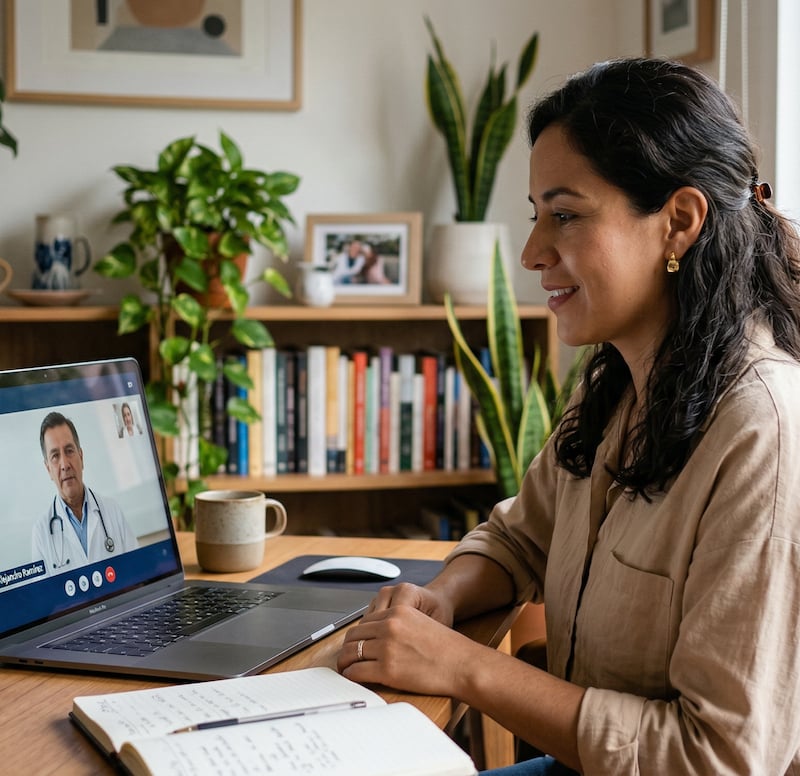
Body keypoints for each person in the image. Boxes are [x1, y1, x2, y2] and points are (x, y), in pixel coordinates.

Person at [337, 57, 800, 774]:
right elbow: (523, 537)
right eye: (536, 216)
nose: (531, 252)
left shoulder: (762, 431)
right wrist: (444, 598)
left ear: (678, 222)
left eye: (566, 215)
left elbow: (721, 759)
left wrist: (463, 669)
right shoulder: (620, 378)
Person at [32, 411, 138, 574]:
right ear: (48, 469)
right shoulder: (41, 532)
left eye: (69, 451)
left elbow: (138, 573)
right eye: (55, 456)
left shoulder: (112, 510)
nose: (64, 464)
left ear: (81, 457)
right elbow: (43, 595)